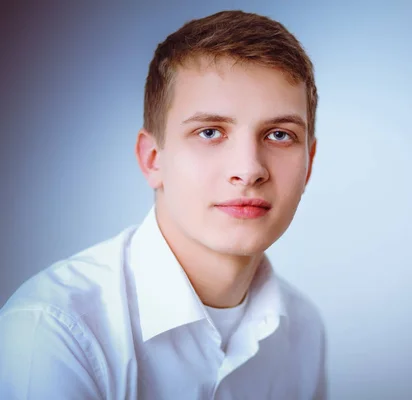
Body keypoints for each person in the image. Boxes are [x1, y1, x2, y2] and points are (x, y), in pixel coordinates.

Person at [0, 10, 326, 399]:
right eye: (209, 132)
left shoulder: (304, 330)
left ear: (308, 165)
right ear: (153, 159)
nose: (249, 170)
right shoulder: (53, 334)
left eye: (279, 134)